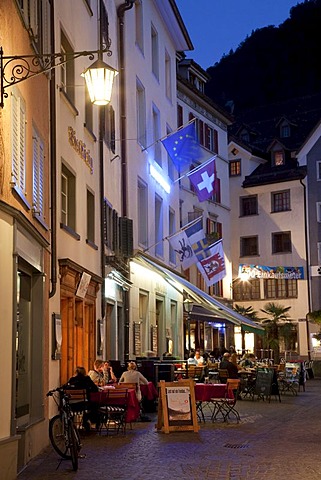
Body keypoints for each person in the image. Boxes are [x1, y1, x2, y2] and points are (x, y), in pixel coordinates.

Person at [65, 366, 99, 431]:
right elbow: (95, 389)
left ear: (76, 372)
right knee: (94, 405)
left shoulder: (72, 379)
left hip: (72, 405)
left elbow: (65, 387)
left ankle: (72, 426)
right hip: (84, 405)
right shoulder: (87, 379)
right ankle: (86, 421)